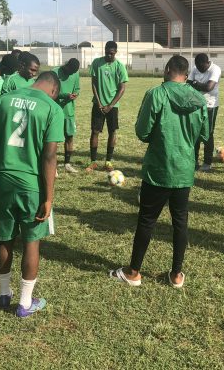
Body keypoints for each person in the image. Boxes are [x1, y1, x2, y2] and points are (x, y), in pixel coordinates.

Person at [109, 56, 208, 288]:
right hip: (184, 169)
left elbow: (142, 131)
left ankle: (134, 272)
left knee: (146, 220)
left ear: (167, 69)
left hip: (158, 168)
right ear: (187, 74)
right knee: (180, 222)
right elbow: (204, 134)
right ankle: (176, 274)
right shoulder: (199, 99)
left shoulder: (156, 94)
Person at [0, 72, 63, 317]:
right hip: (31, 183)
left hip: (2, 178)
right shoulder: (52, 108)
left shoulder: (4, 100)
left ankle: (3, 294)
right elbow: (49, 156)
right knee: (31, 241)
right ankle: (25, 303)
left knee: (5, 239)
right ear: (54, 90)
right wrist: (48, 198)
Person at [86, 41, 128, 172]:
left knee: (112, 132)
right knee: (95, 132)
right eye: (107, 53)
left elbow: (122, 88)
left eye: (111, 53)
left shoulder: (120, 66)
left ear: (116, 52)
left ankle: (108, 162)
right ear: (104, 50)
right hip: (98, 105)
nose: (109, 55)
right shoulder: (97, 63)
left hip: (112, 106)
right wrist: (99, 103)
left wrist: (110, 105)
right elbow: (94, 83)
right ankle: (93, 162)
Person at [188, 53, 221, 172]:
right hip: (196, 104)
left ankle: (207, 162)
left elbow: (209, 88)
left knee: (208, 134)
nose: (199, 69)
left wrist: (195, 84)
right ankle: (194, 160)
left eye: (201, 67)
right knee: (195, 132)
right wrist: (196, 84)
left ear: (207, 63)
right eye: (197, 66)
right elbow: (188, 83)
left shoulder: (215, 69)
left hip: (210, 105)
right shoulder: (195, 68)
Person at [52, 58, 80, 173]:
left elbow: (77, 88)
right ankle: (52, 165)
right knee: (53, 139)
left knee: (69, 137)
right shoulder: (54, 72)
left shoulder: (75, 74)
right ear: (66, 65)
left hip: (69, 111)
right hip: (55, 111)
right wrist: (64, 95)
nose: (71, 74)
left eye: (73, 72)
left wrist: (75, 94)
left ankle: (67, 164)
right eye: (70, 71)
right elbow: (51, 91)